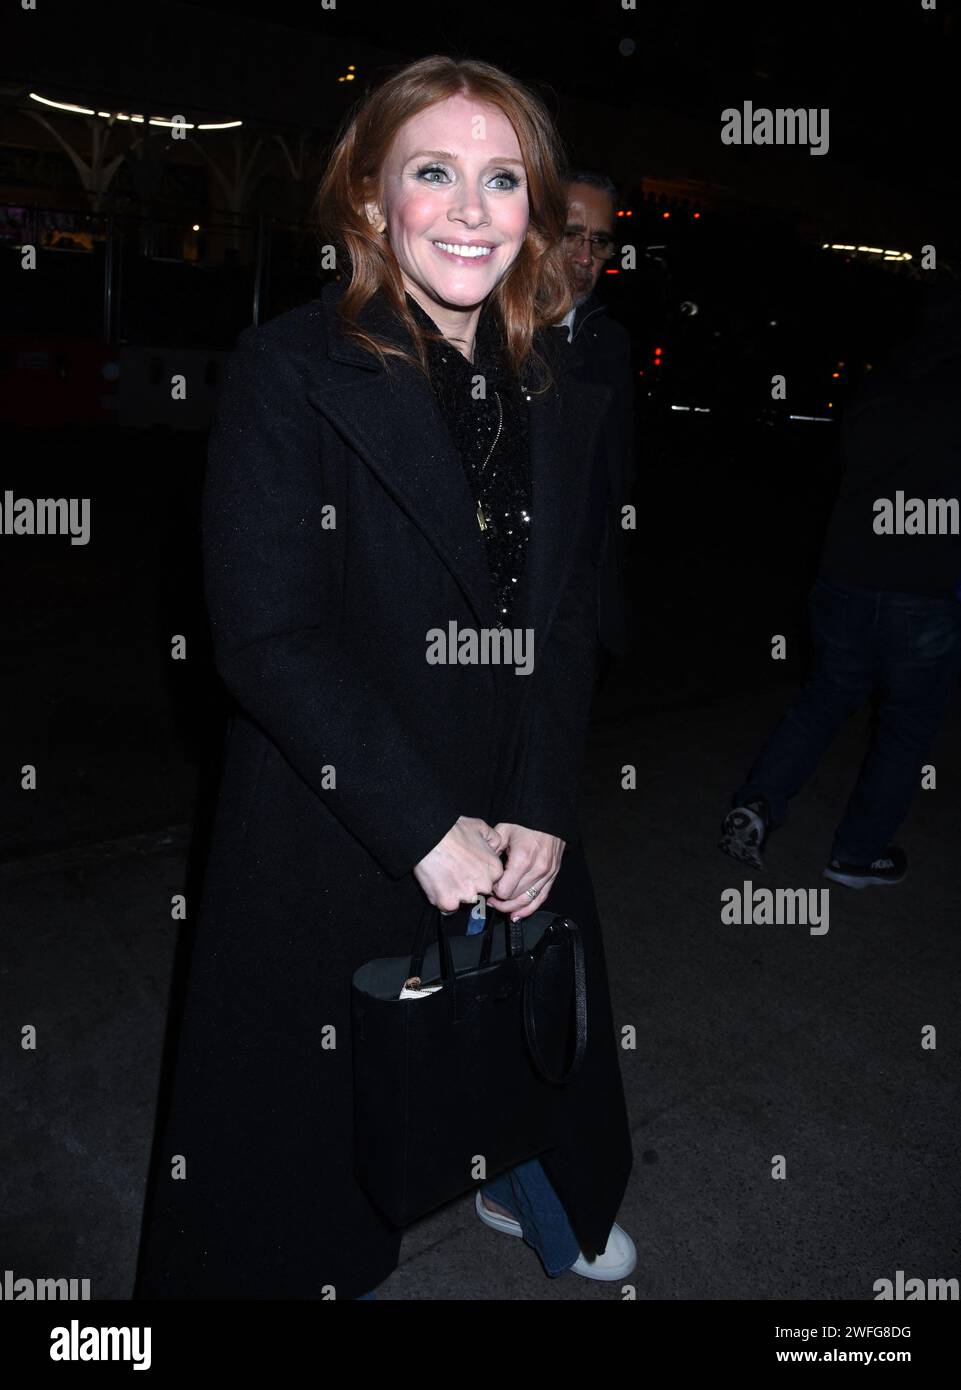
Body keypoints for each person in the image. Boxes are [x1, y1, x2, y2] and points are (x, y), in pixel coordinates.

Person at [133, 54, 635, 1302]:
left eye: (502, 179)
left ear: (534, 209)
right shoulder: (292, 368)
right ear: (371, 202)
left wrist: (538, 801)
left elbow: (564, 617)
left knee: (514, 1037)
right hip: (340, 811)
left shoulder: (555, 383)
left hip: (507, 796)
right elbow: (262, 636)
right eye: (434, 173)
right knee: (305, 1166)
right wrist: (422, 825)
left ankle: (524, 1183)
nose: (471, 209)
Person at [718, 281, 961, 887]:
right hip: (924, 589)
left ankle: (758, 802)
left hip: (845, 576)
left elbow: (841, 467)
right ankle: (857, 853)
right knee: (905, 729)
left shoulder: (880, 380)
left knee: (824, 698)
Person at [558, 171, 637, 674]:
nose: (584, 257)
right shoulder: (479, 327)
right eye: (570, 234)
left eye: (600, 242)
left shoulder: (610, 345)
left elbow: (618, 479)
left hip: (572, 615)